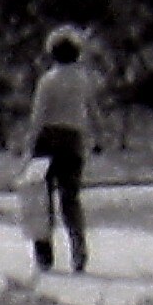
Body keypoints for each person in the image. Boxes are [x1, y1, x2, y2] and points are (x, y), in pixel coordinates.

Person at [27, 28, 98, 275]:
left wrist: (30, 144)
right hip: (73, 140)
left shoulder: (48, 80)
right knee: (71, 198)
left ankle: (44, 254)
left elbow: (39, 115)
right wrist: (96, 137)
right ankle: (79, 250)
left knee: (41, 198)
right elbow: (91, 111)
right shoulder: (84, 80)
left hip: (48, 139)